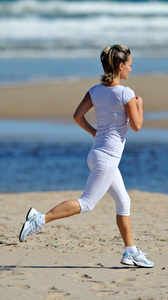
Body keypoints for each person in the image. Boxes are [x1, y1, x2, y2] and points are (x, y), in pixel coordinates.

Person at [19, 44, 154, 268]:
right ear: (120, 67)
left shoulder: (95, 91)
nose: (132, 68)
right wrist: (140, 105)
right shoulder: (126, 93)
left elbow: (77, 116)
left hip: (96, 155)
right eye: (130, 65)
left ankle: (130, 252)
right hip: (108, 159)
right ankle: (39, 219)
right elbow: (137, 126)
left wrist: (95, 133)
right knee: (87, 203)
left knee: (124, 202)